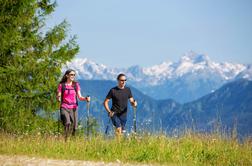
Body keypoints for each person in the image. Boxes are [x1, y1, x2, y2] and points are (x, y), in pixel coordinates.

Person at [57, 69, 90, 139]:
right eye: (71, 74)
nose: (73, 76)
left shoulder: (76, 85)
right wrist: (58, 97)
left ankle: (72, 139)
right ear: (67, 75)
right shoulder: (61, 85)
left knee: (75, 127)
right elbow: (59, 95)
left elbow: (80, 97)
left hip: (74, 107)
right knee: (67, 123)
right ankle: (66, 140)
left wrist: (85, 99)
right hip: (64, 106)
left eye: (74, 75)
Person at [103, 73, 137, 138]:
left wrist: (134, 103)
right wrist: (109, 112)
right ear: (118, 80)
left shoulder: (128, 90)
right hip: (114, 113)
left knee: (121, 132)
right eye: (122, 80)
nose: (123, 82)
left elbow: (131, 101)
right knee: (118, 129)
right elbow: (105, 102)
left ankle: (118, 144)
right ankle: (118, 144)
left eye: (125, 80)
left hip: (123, 114)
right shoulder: (113, 90)